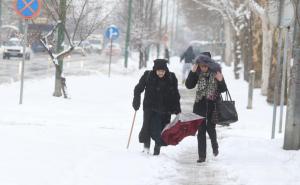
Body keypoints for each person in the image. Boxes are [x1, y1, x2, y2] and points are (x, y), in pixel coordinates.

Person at [132, 59, 181, 155]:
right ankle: (146, 147)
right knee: (147, 126)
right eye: (158, 71)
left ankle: (157, 147)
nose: (160, 73)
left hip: (165, 109)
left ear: (165, 70)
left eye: (162, 71)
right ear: (155, 70)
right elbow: (138, 89)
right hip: (150, 106)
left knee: (161, 129)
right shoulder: (148, 75)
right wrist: (136, 101)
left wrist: (177, 108)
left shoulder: (171, 77)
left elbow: (175, 94)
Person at [185, 52, 227, 163]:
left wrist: (221, 80)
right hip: (200, 105)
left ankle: (215, 147)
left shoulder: (216, 72)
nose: (203, 68)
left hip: (213, 105)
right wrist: (192, 72)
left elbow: (223, 89)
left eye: (205, 65)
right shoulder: (197, 73)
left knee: (211, 128)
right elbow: (189, 85)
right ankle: (202, 156)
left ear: (209, 64)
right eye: (201, 65)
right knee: (201, 131)